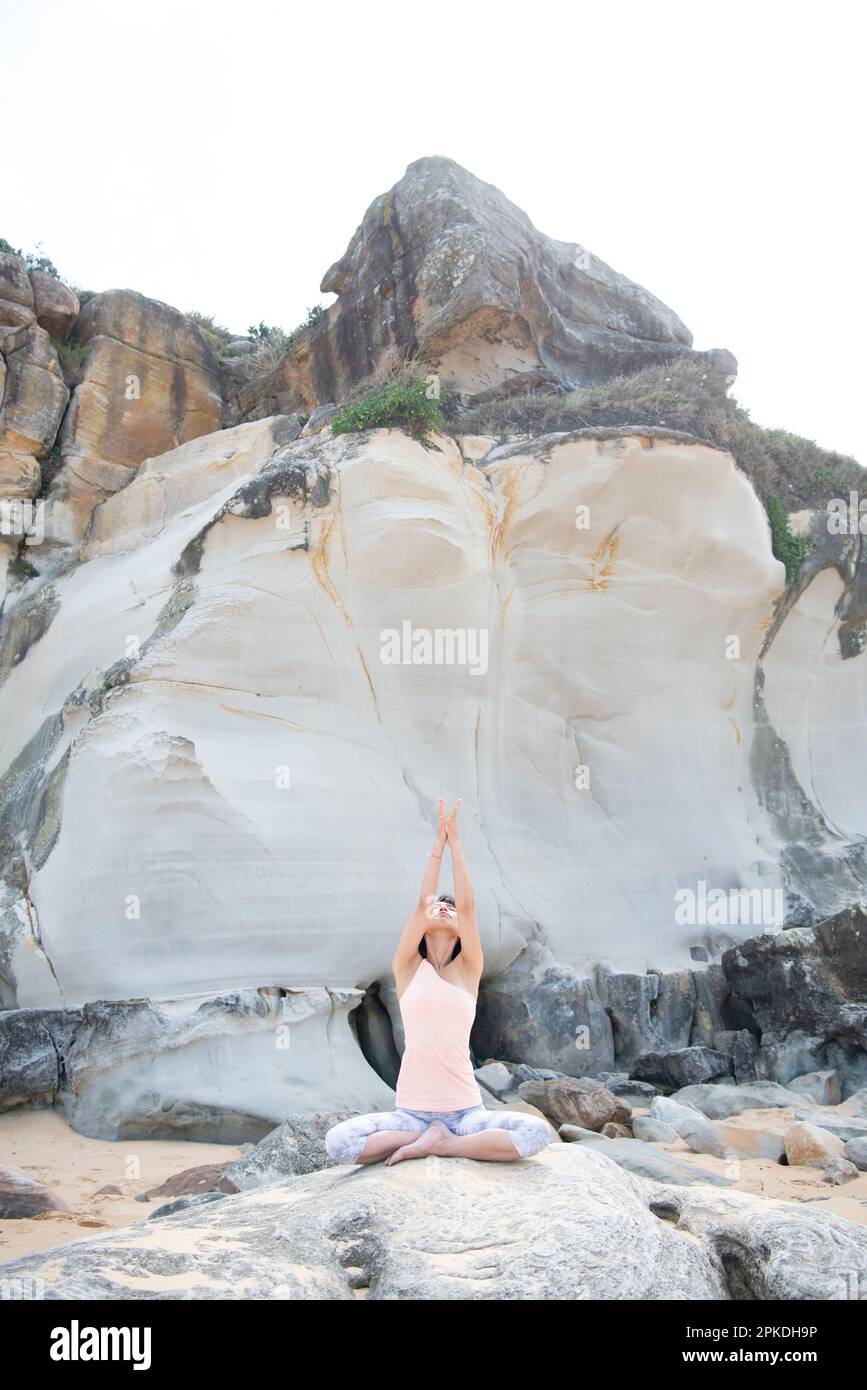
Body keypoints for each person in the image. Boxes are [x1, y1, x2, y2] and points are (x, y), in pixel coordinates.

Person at [324, 799, 551, 1166]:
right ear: (424, 922)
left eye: (451, 908)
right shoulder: (408, 968)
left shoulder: (469, 970)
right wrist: (436, 848)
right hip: (410, 1114)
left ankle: (440, 1145)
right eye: (437, 908)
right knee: (340, 1142)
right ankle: (423, 1137)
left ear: (462, 926)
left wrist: (456, 846)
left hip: (467, 1114)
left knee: (536, 1133)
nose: (444, 909)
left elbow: (469, 905)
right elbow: (422, 903)